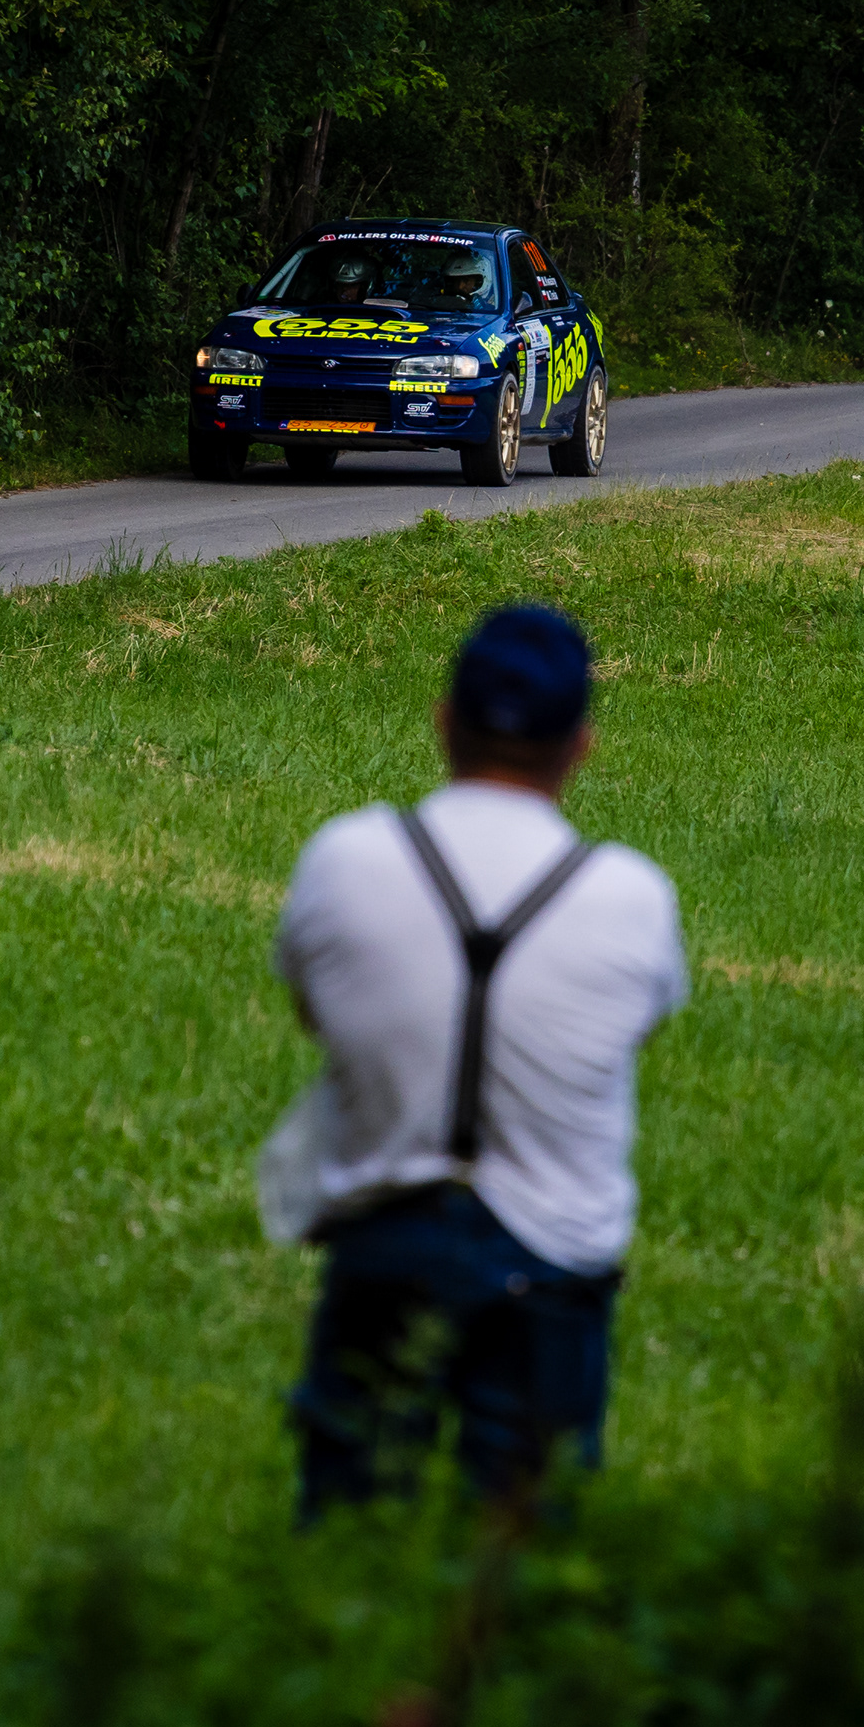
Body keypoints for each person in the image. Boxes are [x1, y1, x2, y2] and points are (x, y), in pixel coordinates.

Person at [276, 603, 689, 1518]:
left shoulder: (345, 859)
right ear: (580, 747)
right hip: (552, 1263)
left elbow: (314, 1013)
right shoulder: (632, 898)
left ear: (442, 720)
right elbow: (641, 1030)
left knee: (350, 1535)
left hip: (381, 1240)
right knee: (519, 1551)